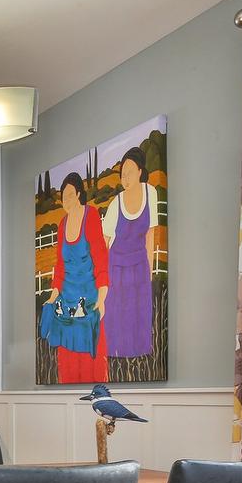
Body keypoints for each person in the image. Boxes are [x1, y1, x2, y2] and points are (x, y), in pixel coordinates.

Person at [42, 173, 109, 383]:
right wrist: (52, 297)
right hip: (66, 301)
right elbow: (60, 266)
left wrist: (102, 295)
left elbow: (100, 256)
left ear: (79, 194)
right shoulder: (62, 224)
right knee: (68, 362)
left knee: (91, 360)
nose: (67, 201)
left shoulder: (90, 216)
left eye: (70, 195)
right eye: (64, 197)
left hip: (88, 299)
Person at [101, 147, 158, 359]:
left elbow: (151, 236)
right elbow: (105, 243)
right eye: (122, 174)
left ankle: (140, 356)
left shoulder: (150, 193)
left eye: (129, 172)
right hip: (116, 265)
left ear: (140, 171)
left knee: (140, 311)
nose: (125, 178)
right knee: (117, 313)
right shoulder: (116, 203)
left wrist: (149, 271)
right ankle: (116, 356)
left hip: (139, 263)